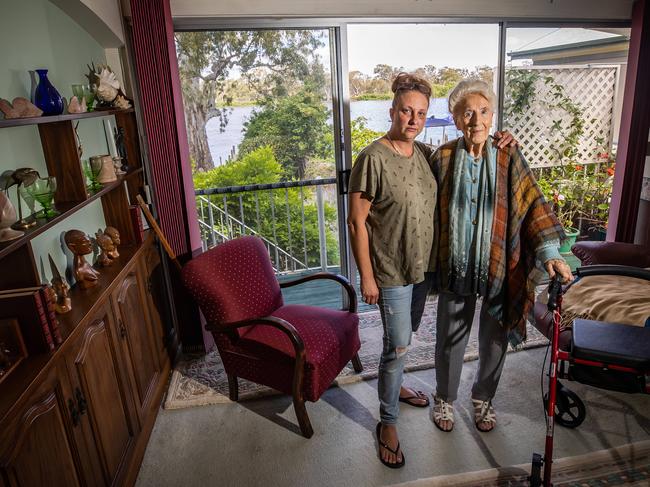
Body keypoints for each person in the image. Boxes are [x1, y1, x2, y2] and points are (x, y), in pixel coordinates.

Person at [347, 73, 515, 468]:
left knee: (406, 337)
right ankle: (387, 422)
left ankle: (398, 385)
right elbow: (357, 222)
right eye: (406, 110)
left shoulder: (425, 154)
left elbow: (469, 155)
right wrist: (367, 277)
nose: (413, 118)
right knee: (398, 344)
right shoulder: (372, 158)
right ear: (392, 111)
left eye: (421, 112)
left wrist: (503, 140)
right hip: (390, 273)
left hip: (422, 272)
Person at [428, 79, 573, 434]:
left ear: (492, 116)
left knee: (494, 334)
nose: (476, 120)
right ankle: (445, 397)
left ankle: (483, 399)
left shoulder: (509, 156)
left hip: (498, 262)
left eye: (483, 112)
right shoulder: (443, 157)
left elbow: (532, 203)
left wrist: (550, 253)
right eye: (467, 113)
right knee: (449, 334)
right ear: (456, 118)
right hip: (455, 263)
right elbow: (423, 205)